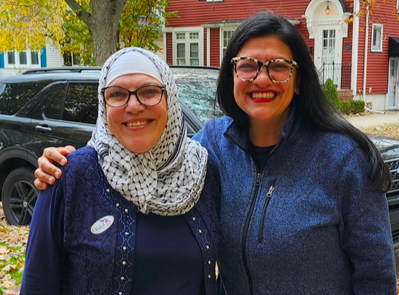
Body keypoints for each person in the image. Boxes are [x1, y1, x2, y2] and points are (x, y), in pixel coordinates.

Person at [33, 12, 397, 295]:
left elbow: (377, 277)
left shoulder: (345, 160)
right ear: (232, 74)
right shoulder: (212, 148)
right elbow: (146, 147)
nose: (262, 79)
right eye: (249, 66)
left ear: (299, 79)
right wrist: (65, 164)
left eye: (279, 67)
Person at [21, 47, 221, 295]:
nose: (134, 106)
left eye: (149, 92)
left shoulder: (201, 172)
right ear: (103, 106)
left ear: (170, 97)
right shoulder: (69, 177)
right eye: (117, 94)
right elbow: (38, 285)